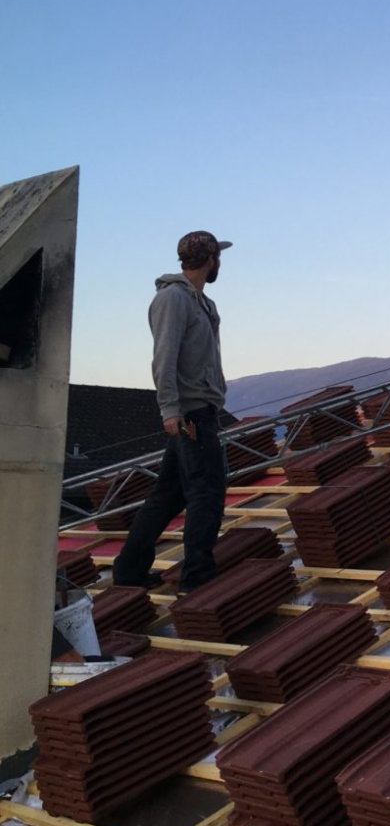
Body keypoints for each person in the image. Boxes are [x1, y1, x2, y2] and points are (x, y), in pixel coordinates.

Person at [113, 231, 232, 592]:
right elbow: (164, 357)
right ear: (210, 259)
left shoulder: (200, 302)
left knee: (169, 495)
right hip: (191, 413)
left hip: (198, 409)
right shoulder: (173, 298)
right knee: (207, 493)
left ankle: (129, 572)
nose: (220, 262)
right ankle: (197, 577)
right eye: (218, 256)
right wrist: (170, 409)